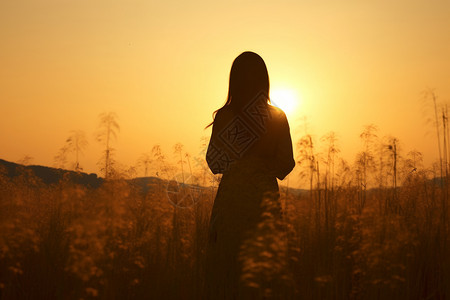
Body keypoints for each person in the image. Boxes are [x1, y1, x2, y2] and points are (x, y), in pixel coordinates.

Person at [204, 51, 296, 299]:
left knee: (227, 272)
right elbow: (286, 164)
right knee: (263, 276)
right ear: (263, 80)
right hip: (263, 203)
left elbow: (214, 163)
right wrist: (263, 164)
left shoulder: (224, 116)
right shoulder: (276, 117)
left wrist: (237, 161)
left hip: (230, 203)